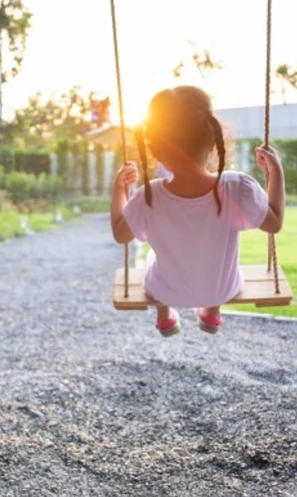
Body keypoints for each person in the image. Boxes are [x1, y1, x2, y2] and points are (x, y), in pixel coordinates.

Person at [109, 85, 286, 337]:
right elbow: (275, 222)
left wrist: (118, 189)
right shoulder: (237, 188)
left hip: (166, 291)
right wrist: (275, 173)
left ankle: (165, 315)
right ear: (214, 140)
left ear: (155, 149)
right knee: (217, 260)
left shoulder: (149, 196)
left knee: (151, 259)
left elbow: (120, 233)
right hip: (222, 290)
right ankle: (212, 312)